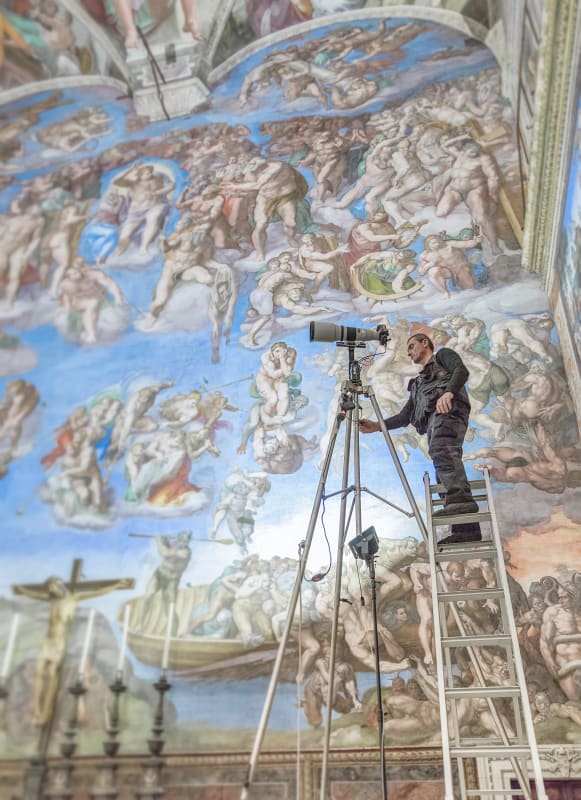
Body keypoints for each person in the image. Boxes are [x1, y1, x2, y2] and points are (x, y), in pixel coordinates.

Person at [359, 333, 479, 544]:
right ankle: (466, 532)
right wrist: (378, 426)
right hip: (434, 422)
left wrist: (448, 393)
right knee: (442, 470)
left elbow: (461, 370)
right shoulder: (418, 384)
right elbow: (405, 416)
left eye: (412, 346)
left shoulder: (443, 356)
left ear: (425, 343)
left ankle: (460, 502)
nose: (409, 351)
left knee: (442, 451)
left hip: (449, 412)